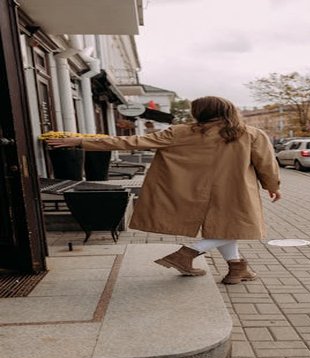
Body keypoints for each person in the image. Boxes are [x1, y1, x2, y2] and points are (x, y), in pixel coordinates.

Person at [47, 96, 281, 284]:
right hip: (236, 192)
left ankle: (237, 269)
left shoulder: (181, 132)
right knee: (229, 228)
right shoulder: (250, 134)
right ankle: (186, 254)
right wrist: (273, 186)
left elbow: (132, 142)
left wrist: (80, 142)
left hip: (195, 191)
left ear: (198, 113)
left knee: (225, 229)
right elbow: (266, 164)